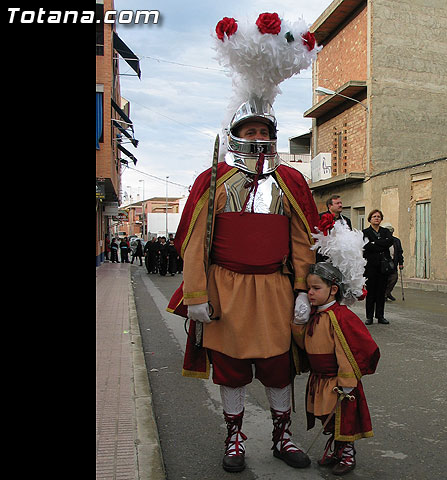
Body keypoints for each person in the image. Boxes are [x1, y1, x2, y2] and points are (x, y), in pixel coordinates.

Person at [166, 12, 320, 474]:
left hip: (274, 290)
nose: (258, 138)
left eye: (264, 132)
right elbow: (195, 244)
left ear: (273, 136)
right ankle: (234, 439)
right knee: (231, 368)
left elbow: (302, 241)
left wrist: (300, 290)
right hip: (225, 288)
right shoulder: (211, 180)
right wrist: (196, 295)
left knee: (277, 367)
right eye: (250, 131)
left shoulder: (292, 180)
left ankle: (282, 438)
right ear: (236, 134)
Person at [292, 262, 379, 475]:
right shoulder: (313, 314)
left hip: (338, 382)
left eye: (316, 288)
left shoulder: (340, 317)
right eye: (308, 288)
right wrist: (298, 323)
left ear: (333, 289)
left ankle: (347, 453)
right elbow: (305, 344)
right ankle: (337, 449)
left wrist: (347, 382)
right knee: (326, 419)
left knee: (343, 420)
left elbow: (347, 351)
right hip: (319, 379)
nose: (310, 293)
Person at [362, 210, 394, 325]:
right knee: (371, 292)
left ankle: (380, 316)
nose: (376, 218)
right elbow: (367, 246)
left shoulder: (385, 231)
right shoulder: (365, 232)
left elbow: (390, 241)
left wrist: (375, 243)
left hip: (383, 266)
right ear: (370, 219)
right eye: (374, 216)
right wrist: (380, 243)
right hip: (370, 266)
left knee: (381, 292)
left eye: (379, 217)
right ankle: (369, 316)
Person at [381, 224, 404, 301]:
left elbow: (400, 252)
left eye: (391, 232)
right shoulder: (381, 240)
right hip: (383, 264)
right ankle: (384, 294)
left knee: (394, 278)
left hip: (393, 263)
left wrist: (401, 263)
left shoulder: (396, 241)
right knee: (384, 280)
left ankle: (387, 293)